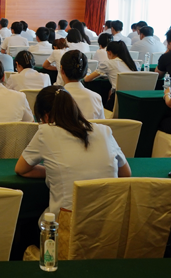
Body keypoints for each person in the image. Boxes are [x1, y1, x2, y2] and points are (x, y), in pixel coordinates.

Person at [15, 85, 130, 221]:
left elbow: (21, 169)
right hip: (109, 222)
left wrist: (54, 170)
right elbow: (125, 173)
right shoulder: (104, 130)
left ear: (46, 116)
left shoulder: (45, 132)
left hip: (67, 223)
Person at [84, 41, 137, 110]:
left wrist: (86, 73)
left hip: (118, 97)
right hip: (133, 97)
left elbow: (87, 79)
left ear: (109, 52)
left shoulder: (108, 64)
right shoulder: (131, 63)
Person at [59, 51, 104, 120]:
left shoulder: (53, 97)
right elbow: (101, 124)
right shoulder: (96, 98)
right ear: (85, 73)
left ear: (62, 70)